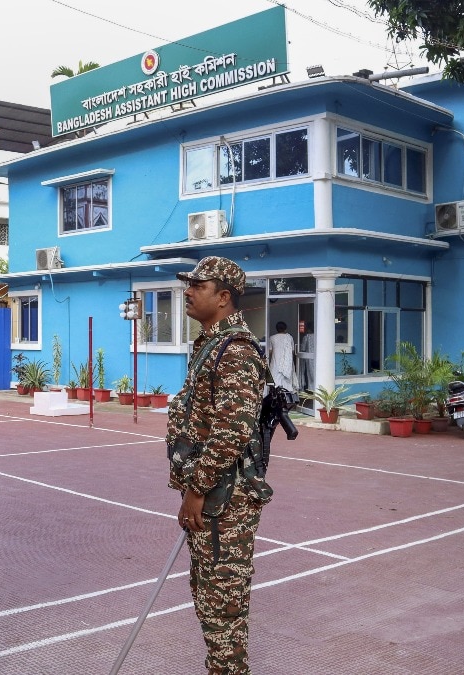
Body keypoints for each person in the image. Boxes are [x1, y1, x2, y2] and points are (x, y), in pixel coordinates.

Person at [168, 256, 273, 674]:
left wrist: (196, 491)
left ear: (225, 297)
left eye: (199, 285)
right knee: (210, 600)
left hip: (223, 501)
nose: (188, 291)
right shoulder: (211, 344)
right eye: (188, 284)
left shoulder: (235, 351)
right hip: (212, 497)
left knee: (222, 607)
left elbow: (230, 431)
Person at [267, 321, 295, 392]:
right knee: (286, 383)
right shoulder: (289, 338)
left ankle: (276, 398)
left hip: (275, 363)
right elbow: (292, 351)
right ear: (285, 328)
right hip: (287, 364)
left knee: (275, 381)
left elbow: (270, 351)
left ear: (276, 329)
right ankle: (286, 398)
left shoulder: (272, 338)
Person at [298, 322, 315, 392]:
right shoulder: (319, 336)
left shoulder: (307, 337)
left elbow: (303, 348)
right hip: (318, 358)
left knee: (310, 373)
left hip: (309, 358)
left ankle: (311, 388)